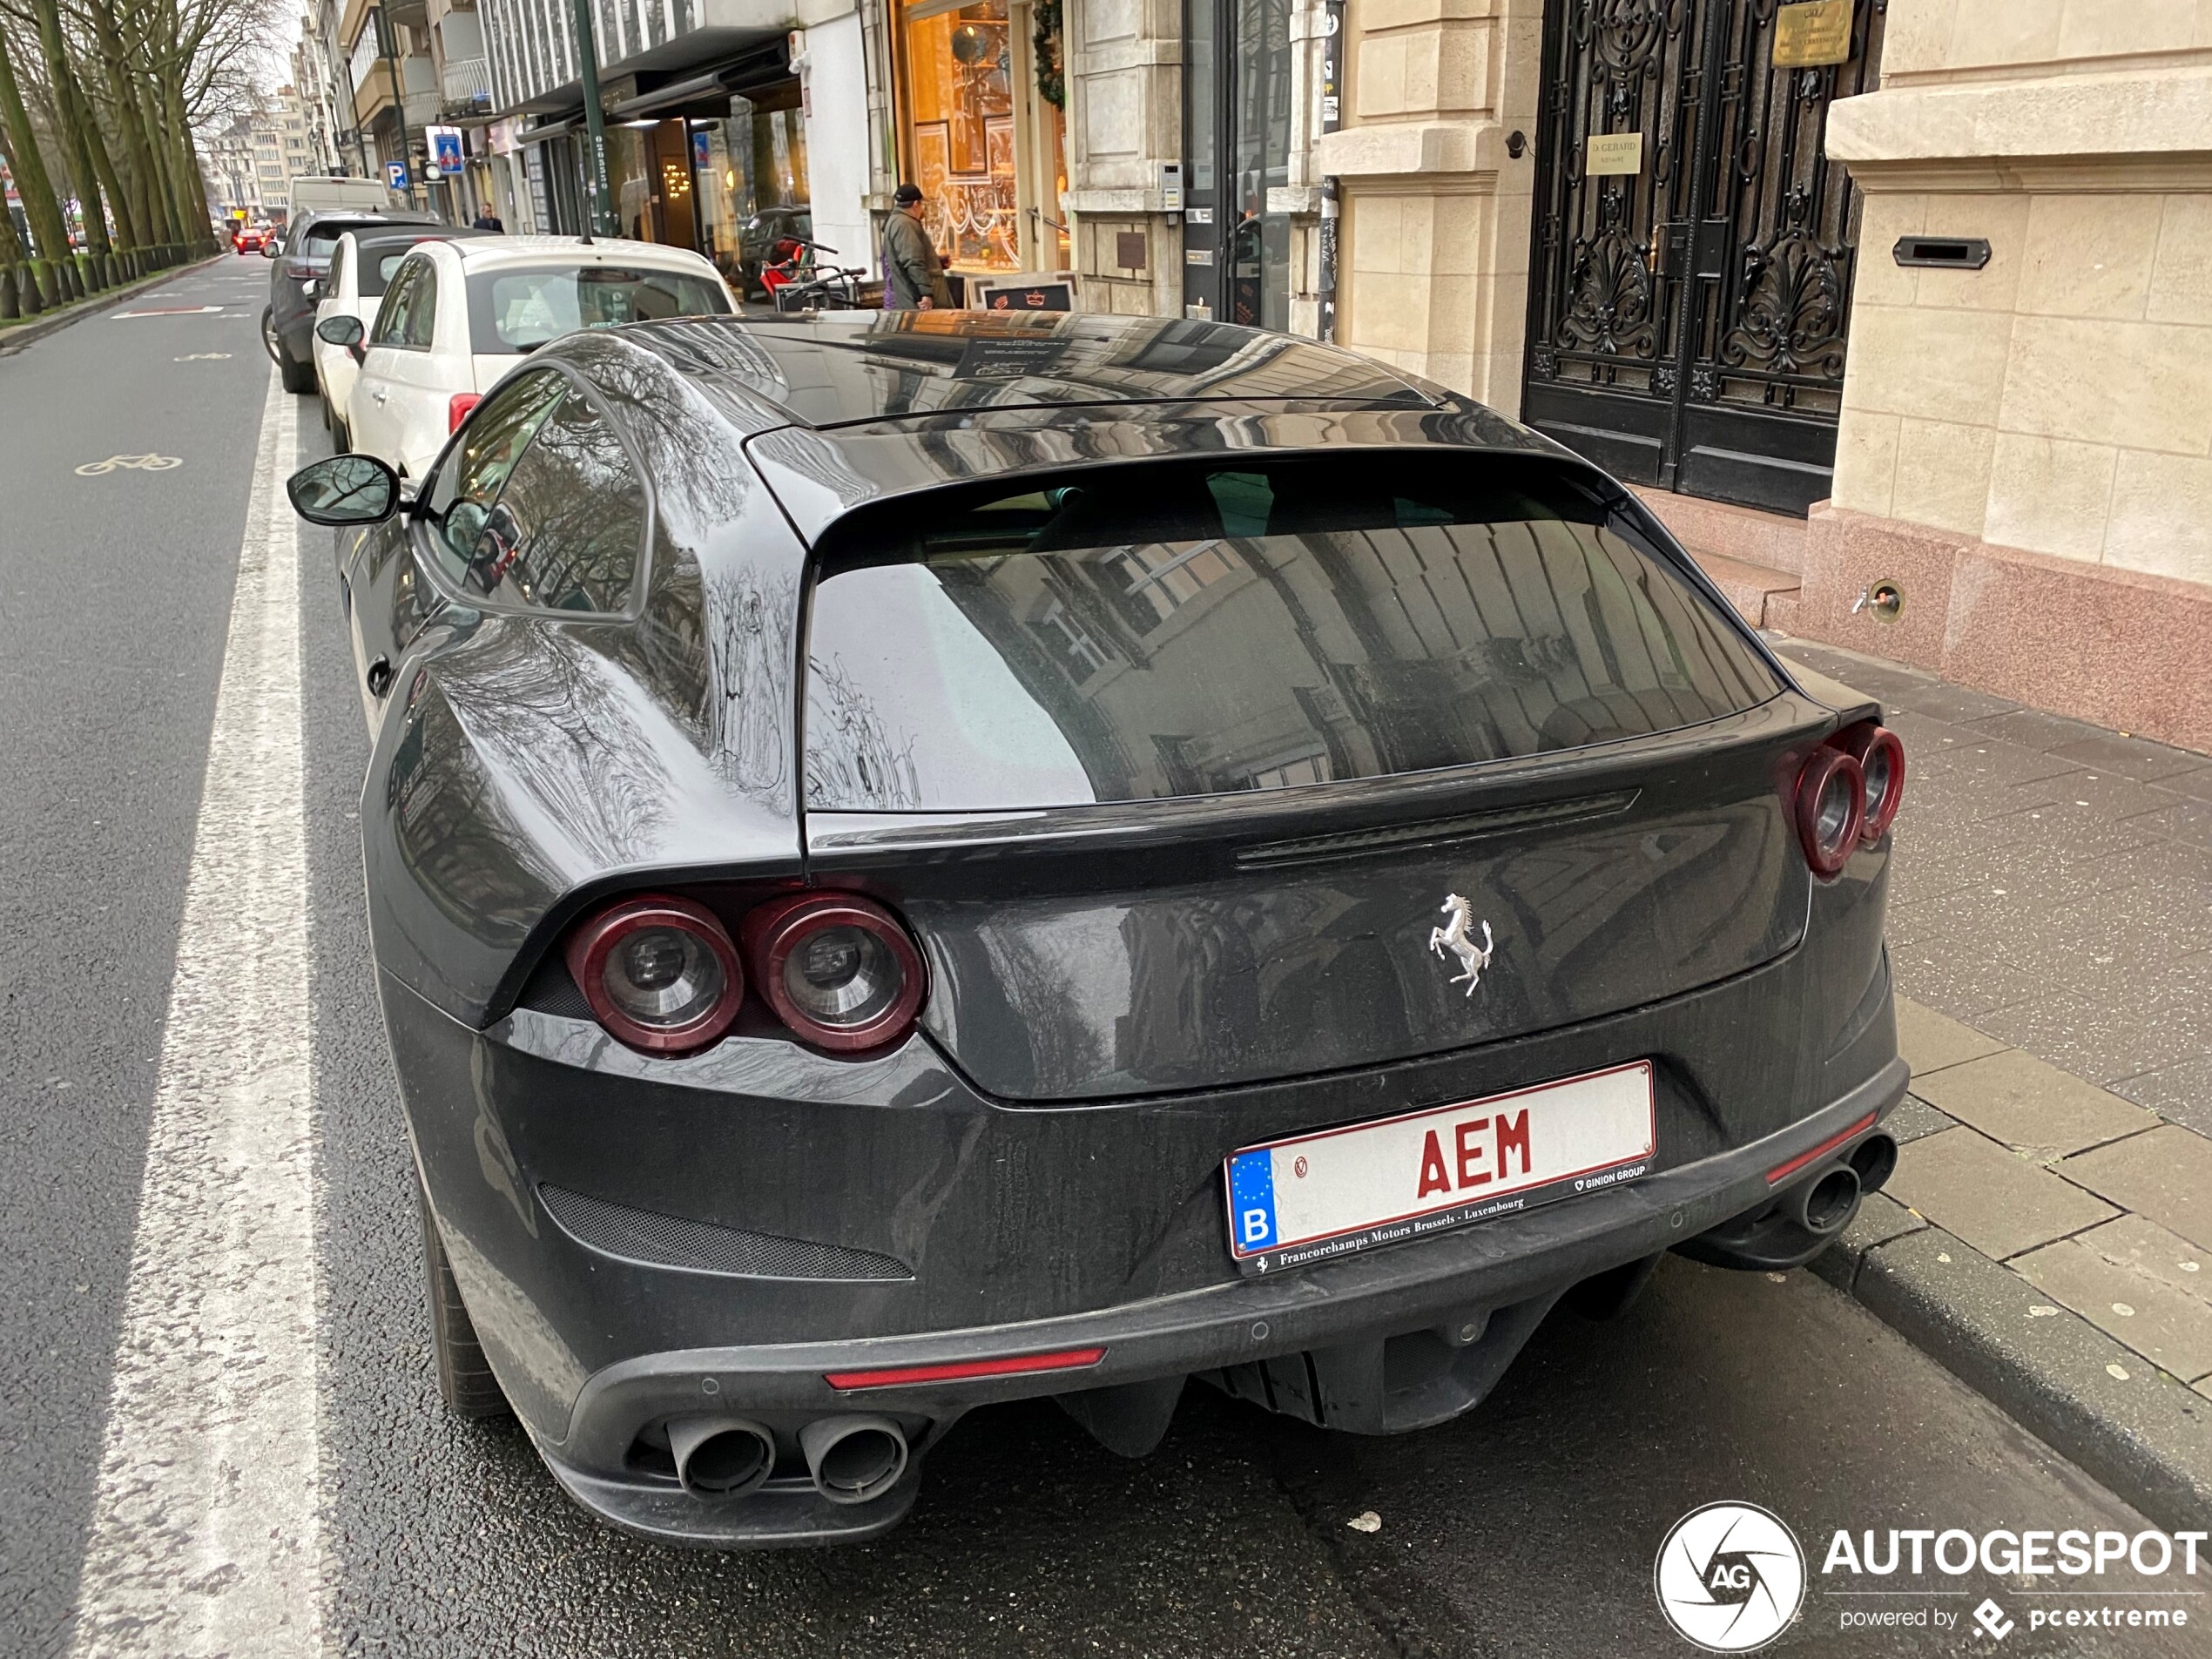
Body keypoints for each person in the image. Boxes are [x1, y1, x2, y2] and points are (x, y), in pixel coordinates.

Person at [880, 183, 951, 311]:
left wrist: (936, 262)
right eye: (922, 205)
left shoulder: (896, 221)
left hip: (910, 297)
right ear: (916, 204)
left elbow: (908, 257)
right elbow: (912, 261)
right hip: (917, 301)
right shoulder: (905, 224)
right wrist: (926, 294)